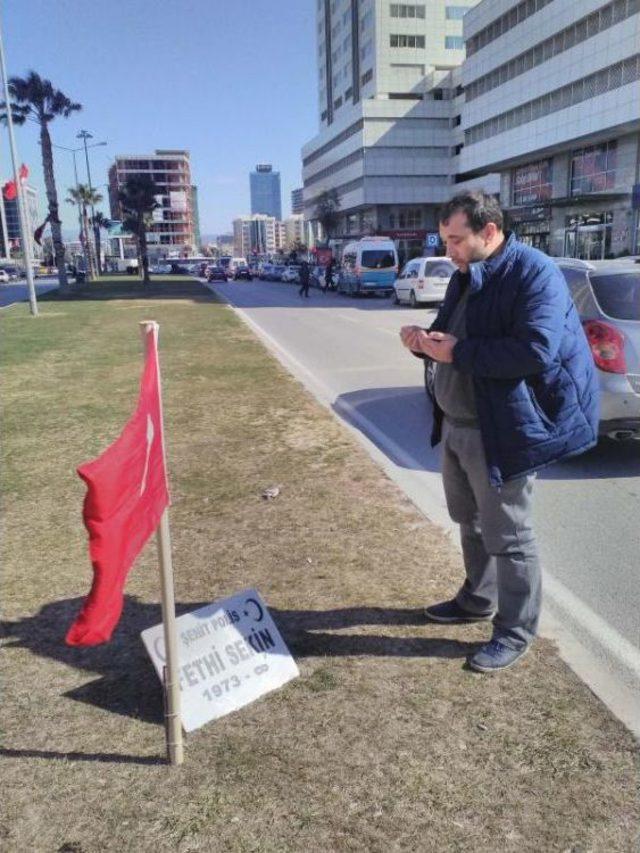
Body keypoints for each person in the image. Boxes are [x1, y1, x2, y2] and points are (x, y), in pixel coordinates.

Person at [400, 191, 599, 673]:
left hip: (502, 428)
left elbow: (535, 351)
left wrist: (456, 353)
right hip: (458, 423)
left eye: (455, 239)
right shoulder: (467, 274)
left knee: (509, 534)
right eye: (445, 239)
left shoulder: (533, 272)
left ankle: (515, 630)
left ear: (489, 232)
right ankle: (477, 598)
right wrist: (423, 343)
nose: (449, 250)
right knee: (468, 521)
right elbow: (452, 334)